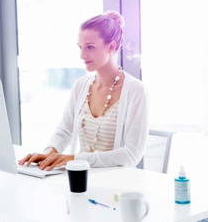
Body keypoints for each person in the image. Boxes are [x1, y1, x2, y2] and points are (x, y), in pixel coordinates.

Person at [19, 11, 148, 170]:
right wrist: (49, 154)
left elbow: (131, 155)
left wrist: (74, 159)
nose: (82, 55)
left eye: (90, 47)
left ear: (112, 46)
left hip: (117, 187)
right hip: (81, 180)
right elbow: (64, 130)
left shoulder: (135, 90)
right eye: (80, 47)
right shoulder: (81, 86)